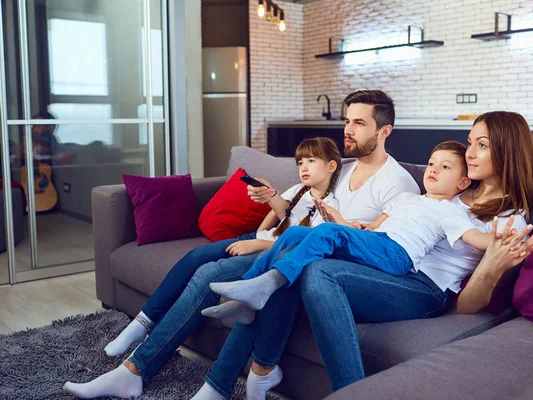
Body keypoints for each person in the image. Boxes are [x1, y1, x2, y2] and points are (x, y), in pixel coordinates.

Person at [63, 89, 421, 399]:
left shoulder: (398, 183)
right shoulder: (340, 167)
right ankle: (138, 371)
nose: (348, 129)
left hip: (324, 267)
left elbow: (381, 249)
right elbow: (304, 207)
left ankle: (142, 373)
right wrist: (273, 203)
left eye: (359, 123)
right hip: (292, 250)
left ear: (384, 130)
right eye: (347, 120)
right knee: (208, 269)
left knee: (212, 273)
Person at [192, 111, 533, 399]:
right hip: (388, 266)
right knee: (300, 247)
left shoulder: (510, 220)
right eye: (470, 143)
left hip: (424, 290)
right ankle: (224, 380)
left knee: (315, 271)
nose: (469, 153)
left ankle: (341, 390)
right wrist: (358, 230)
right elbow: (396, 228)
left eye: (481, 145)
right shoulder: (445, 192)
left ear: (507, 151)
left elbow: (468, 306)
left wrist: (495, 262)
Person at [63, 136, 343, 398]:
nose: (303, 167)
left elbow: (300, 246)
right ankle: (142, 323)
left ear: (331, 166)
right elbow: (280, 214)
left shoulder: (332, 208)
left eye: (311, 161)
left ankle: (136, 368)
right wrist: (262, 222)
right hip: (258, 242)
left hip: (268, 254)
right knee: (197, 256)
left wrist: (259, 245)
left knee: (207, 274)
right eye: (300, 162)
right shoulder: (299, 191)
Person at [206, 141, 499, 317]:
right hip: (379, 242)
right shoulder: (408, 198)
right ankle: (246, 292)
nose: (433, 169)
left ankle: (266, 285)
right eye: (432, 163)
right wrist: (348, 226)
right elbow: (374, 227)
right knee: (296, 234)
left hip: (398, 257)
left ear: (462, 183)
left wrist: (500, 239)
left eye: (446, 168)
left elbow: (476, 238)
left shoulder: (450, 210)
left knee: (326, 234)